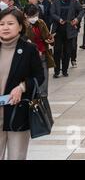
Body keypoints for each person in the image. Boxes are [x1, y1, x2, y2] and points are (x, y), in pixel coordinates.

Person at [0, 8, 45, 160]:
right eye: (1, 24)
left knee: (17, 156)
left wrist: (22, 87)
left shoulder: (29, 49)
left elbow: (39, 76)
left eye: (10, 23)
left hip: (17, 111)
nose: (5, 27)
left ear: (20, 26)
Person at [50, 0, 84, 78]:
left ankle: (65, 70)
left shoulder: (73, 1)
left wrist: (77, 19)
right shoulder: (55, 2)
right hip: (58, 30)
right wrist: (59, 19)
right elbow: (52, 13)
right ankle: (57, 71)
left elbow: (81, 10)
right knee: (57, 51)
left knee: (67, 51)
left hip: (69, 30)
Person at [23, 5, 55, 98]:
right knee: (32, 85)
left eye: (36, 15)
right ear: (25, 15)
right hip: (29, 58)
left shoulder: (41, 22)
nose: (34, 18)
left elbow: (47, 36)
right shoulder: (22, 25)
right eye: (32, 16)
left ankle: (43, 104)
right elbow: (23, 40)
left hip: (43, 55)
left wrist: (50, 40)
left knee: (44, 84)